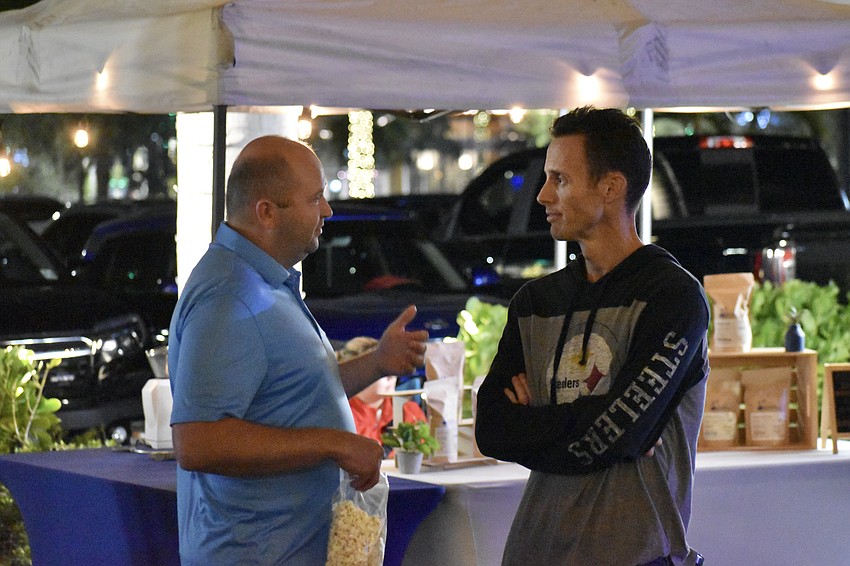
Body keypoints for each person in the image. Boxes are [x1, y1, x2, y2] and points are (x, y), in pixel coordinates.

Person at [168, 136, 429, 566]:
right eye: (315, 198)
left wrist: (377, 363)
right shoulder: (230, 296)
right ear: (266, 211)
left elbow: (294, 393)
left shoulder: (265, 282)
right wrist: (334, 443)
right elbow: (199, 441)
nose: (327, 210)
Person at [475, 106, 709, 566]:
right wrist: (597, 426)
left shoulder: (673, 297)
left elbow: (612, 435)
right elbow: (492, 429)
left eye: (559, 179)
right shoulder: (535, 302)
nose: (542, 195)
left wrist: (539, 418)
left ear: (610, 186)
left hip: (634, 556)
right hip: (534, 551)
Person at [337, 336, 427, 447]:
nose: (392, 377)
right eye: (383, 371)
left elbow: (425, 454)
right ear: (358, 375)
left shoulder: (409, 411)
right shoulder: (341, 415)